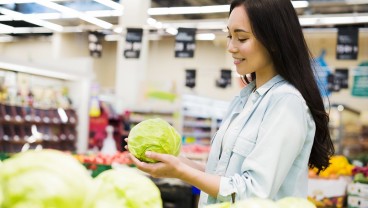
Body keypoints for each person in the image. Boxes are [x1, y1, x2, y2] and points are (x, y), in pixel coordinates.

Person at [126, 0, 335, 207]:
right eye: (229, 36)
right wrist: (176, 162)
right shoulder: (244, 100)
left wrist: (180, 171)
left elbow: (253, 191)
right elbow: (222, 178)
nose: (230, 47)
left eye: (241, 38)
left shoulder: (286, 103)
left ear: (273, 40)